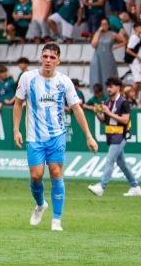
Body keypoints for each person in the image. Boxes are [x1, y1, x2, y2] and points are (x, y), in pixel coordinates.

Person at [12, 43, 99, 231]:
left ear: (58, 60)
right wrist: (16, 130)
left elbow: (77, 108)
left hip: (57, 135)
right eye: (45, 56)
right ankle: (41, 204)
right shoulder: (27, 78)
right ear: (40, 58)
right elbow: (18, 103)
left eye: (52, 57)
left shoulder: (64, 82)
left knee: (56, 173)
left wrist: (89, 136)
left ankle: (56, 220)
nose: (48, 60)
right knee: (36, 176)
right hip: (34, 136)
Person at [89, 80, 141, 198]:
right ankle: (135, 186)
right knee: (121, 163)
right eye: (108, 87)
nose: (109, 89)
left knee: (110, 160)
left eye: (111, 86)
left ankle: (101, 186)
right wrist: (97, 113)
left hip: (121, 135)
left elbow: (125, 120)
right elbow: (104, 120)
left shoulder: (123, 102)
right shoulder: (107, 102)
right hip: (111, 135)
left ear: (118, 88)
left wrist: (108, 112)